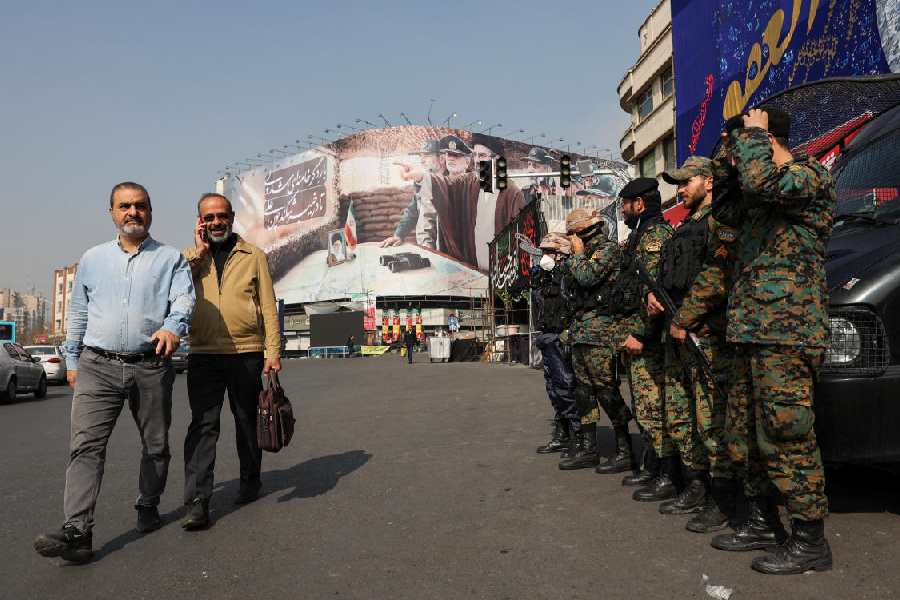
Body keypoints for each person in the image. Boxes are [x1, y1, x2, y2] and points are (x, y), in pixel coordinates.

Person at [33, 182, 195, 564]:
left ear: (150, 211)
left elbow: (185, 299)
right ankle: (78, 532)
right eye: (124, 206)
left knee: (155, 446)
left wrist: (173, 325)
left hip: (150, 366)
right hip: (96, 366)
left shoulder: (171, 259)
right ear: (111, 213)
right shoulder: (92, 259)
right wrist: (71, 361)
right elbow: (78, 312)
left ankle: (148, 502)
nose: (132, 212)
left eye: (140, 206)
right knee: (85, 447)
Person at [716, 108, 835, 575]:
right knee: (746, 435)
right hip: (752, 329)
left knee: (787, 432)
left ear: (766, 140)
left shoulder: (808, 177)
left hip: (788, 331)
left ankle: (810, 540)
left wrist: (754, 136)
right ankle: (764, 521)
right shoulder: (755, 189)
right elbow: (725, 214)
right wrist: (730, 165)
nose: (733, 151)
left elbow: (764, 184)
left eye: (741, 142)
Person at [180, 193, 282, 531]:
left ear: (232, 217)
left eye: (221, 216)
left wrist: (273, 351)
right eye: (208, 218)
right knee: (203, 426)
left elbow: (268, 305)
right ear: (200, 222)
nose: (215, 222)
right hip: (204, 353)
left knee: (246, 421)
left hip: (246, 352)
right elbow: (178, 291)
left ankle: (250, 481)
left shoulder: (253, 256)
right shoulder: (190, 259)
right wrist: (198, 253)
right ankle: (198, 501)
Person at [647, 156, 737, 524]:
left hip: (707, 335)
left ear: (709, 182)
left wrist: (687, 318)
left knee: (710, 418)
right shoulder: (685, 225)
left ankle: (723, 497)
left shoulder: (720, 220)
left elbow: (718, 279)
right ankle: (697, 485)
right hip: (677, 333)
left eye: (686, 182)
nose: (680, 189)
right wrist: (653, 297)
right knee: (682, 415)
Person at [614, 178, 677, 496]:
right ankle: (653, 465)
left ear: (639, 204)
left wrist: (639, 334)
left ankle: (667, 473)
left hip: (649, 339)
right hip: (638, 333)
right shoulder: (640, 235)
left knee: (654, 407)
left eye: (625, 204)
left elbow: (654, 294)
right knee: (644, 407)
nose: (622, 210)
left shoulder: (654, 236)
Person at [557, 209, 633, 471]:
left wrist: (577, 255)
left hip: (601, 331)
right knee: (583, 391)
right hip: (581, 329)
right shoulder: (582, 253)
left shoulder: (608, 249)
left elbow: (588, 277)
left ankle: (625, 449)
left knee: (605, 389)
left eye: (572, 234)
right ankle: (589, 449)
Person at [397, 133, 525, 271]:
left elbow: (520, 238)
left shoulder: (512, 193)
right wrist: (420, 176)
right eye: (475, 155)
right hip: (474, 269)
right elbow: (445, 186)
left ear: (497, 159)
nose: (476, 160)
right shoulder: (470, 182)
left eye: (481, 156)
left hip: (501, 271)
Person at [531, 233, 578, 454]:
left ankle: (579, 438)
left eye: (549, 252)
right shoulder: (543, 276)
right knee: (554, 389)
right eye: (543, 252)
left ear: (561, 255)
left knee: (566, 387)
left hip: (562, 337)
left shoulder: (568, 275)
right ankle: (562, 434)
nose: (543, 256)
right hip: (547, 337)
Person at [381, 139, 446, 249]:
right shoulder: (424, 182)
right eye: (421, 156)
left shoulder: (453, 182)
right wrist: (399, 234)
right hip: (428, 245)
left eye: (426, 155)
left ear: (441, 158)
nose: (422, 160)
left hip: (447, 249)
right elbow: (413, 210)